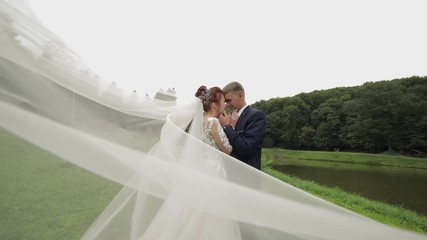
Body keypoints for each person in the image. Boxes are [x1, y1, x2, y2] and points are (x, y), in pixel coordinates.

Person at [138, 85, 242, 240]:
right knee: (212, 211)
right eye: (222, 102)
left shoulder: (201, 122)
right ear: (215, 105)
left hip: (202, 166)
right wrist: (230, 126)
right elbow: (227, 149)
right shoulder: (214, 122)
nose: (225, 105)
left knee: (194, 208)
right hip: (214, 170)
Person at [218, 81, 266, 170]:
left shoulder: (256, 116)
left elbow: (246, 149)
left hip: (247, 176)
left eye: (229, 100)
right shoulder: (228, 117)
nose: (227, 105)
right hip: (228, 174)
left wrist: (228, 127)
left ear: (241, 95)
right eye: (225, 102)